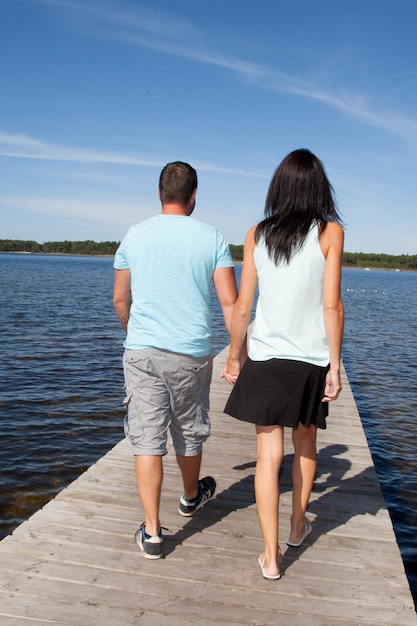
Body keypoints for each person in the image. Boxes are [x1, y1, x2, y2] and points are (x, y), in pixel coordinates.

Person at [221, 149, 344, 580]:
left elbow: (242, 308)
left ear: (279, 186)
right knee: (305, 443)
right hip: (310, 360)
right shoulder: (330, 232)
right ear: (318, 188)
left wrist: (235, 356)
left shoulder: (256, 233)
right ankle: (297, 527)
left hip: (266, 358)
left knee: (267, 456)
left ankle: (270, 557)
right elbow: (332, 308)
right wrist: (336, 365)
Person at [113, 161, 238, 560]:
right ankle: (189, 496)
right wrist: (238, 352)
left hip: (142, 351)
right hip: (192, 353)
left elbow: (120, 299)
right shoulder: (212, 237)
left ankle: (152, 534)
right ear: (194, 195)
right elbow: (229, 302)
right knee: (189, 429)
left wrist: (134, 332)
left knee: (147, 439)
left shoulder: (135, 235)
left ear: (159, 193)